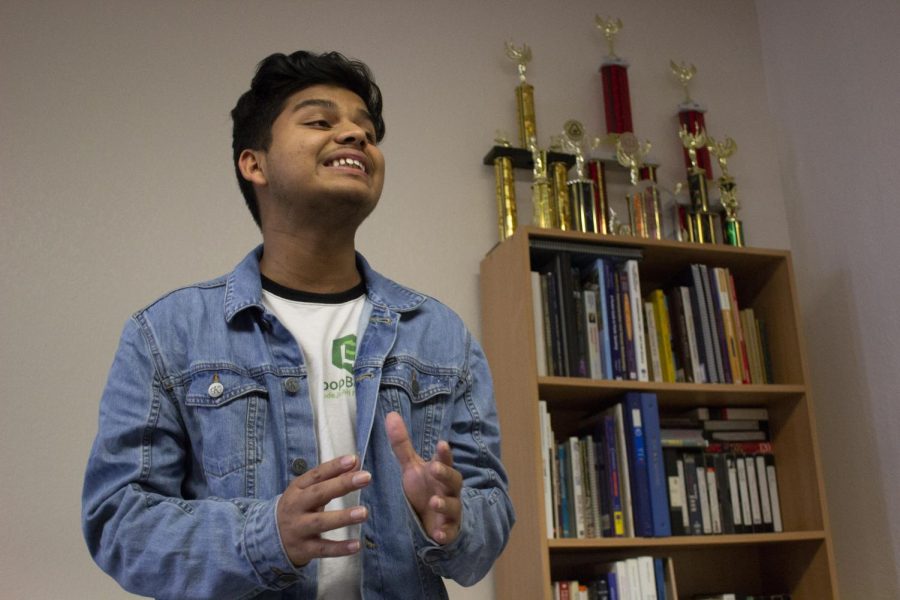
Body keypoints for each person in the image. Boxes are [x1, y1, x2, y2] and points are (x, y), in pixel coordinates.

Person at [82, 50, 514, 600]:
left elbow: (490, 510)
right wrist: (268, 535)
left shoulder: (438, 333)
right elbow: (118, 524)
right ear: (254, 164)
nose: (355, 136)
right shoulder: (166, 334)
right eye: (321, 122)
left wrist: (453, 520)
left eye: (366, 130)